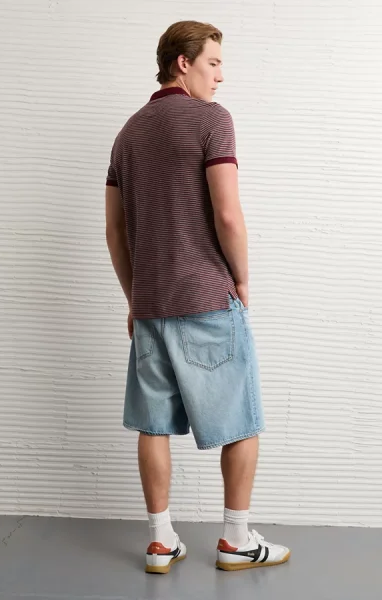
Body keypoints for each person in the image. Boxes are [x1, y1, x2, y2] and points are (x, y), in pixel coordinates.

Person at [105, 20, 291, 574]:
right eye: (213, 63)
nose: (221, 76)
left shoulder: (127, 134)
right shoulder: (212, 120)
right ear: (182, 63)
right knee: (242, 421)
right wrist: (243, 279)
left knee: (153, 425)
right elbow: (227, 213)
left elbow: (114, 230)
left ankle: (161, 541)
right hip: (206, 297)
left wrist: (134, 298)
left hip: (151, 306)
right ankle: (236, 539)